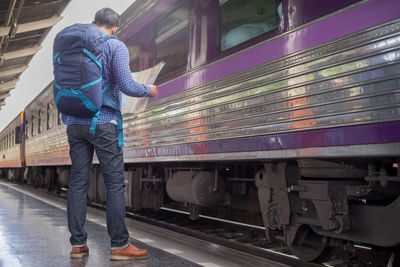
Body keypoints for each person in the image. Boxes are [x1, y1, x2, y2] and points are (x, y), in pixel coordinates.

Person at [62, 8, 157, 260]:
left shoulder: (73, 46)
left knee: (78, 182)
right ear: (115, 28)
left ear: (93, 23)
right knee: (115, 183)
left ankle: (78, 244)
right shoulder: (116, 46)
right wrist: (149, 89)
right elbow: (127, 85)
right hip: (103, 121)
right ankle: (119, 246)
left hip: (74, 123)